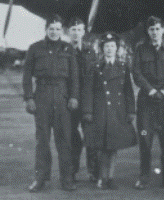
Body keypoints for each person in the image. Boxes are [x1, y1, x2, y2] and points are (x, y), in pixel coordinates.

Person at [22, 14, 79, 192]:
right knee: (42, 141)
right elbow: (26, 76)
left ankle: (67, 179)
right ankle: (40, 178)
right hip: (42, 96)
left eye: (57, 29)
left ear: (62, 30)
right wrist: (29, 98)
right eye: (51, 28)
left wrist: (74, 96)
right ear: (46, 29)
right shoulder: (35, 48)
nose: (54, 32)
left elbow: (74, 77)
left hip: (62, 97)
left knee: (65, 141)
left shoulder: (68, 49)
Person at [82, 33, 137, 189]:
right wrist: (87, 111)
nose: (109, 49)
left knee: (113, 147)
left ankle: (110, 178)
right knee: (100, 146)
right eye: (106, 46)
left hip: (117, 111)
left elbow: (128, 91)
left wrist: (131, 111)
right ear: (102, 49)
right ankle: (101, 177)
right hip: (100, 111)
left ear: (117, 48)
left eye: (112, 46)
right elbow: (88, 91)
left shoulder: (122, 66)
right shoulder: (95, 67)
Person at [131, 16, 164, 190]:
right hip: (147, 101)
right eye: (151, 29)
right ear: (148, 31)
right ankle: (144, 177)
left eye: (158, 29)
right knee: (145, 141)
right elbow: (137, 73)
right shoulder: (140, 49)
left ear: (163, 30)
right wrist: (151, 90)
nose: (155, 32)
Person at [67, 17, 99, 182]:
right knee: (71, 137)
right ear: (68, 32)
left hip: (87, 101)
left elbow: (93, 77)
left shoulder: (90, 51)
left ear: (84, 32)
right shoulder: (63, 50)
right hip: (70, 101)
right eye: (73, 30)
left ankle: (94, 172)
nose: (76, 33)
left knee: (91, 136)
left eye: (79, 30)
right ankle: (72, 171)